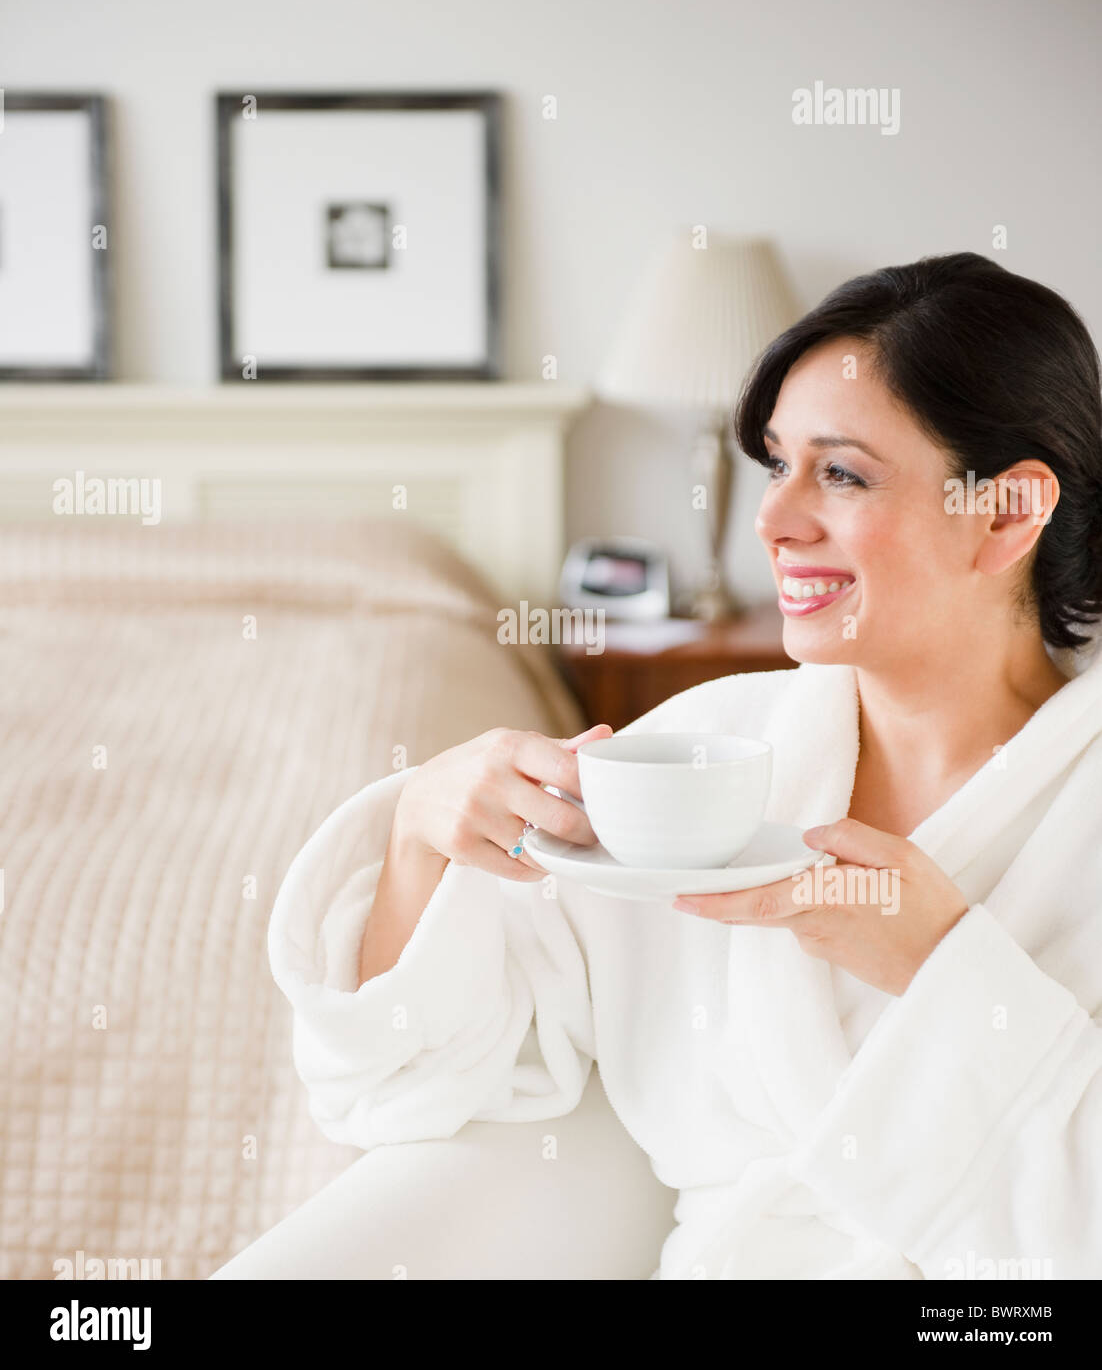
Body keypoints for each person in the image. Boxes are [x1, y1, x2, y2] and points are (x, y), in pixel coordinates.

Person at [213, 251, 1102, 1279]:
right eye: (776, 465)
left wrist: (940, 964)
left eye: (842, 473)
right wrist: (421, 835)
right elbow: (400, 1095)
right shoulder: (701, 759)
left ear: (1005, 512)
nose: (771, 522)